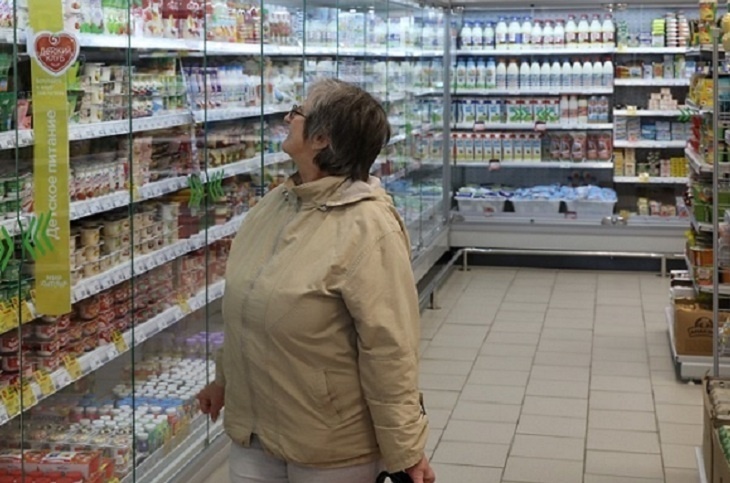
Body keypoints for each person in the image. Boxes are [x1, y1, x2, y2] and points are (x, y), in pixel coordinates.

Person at [197, 78, 435, 483]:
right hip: (254, 433)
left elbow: (389, 349)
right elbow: (246, 307)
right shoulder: (275, 205)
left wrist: (406, 449)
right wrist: (224, 381)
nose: (287, 117)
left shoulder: (369, 226)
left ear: (322, 138)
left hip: (330, 446)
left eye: (298, 111)